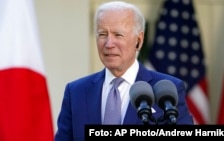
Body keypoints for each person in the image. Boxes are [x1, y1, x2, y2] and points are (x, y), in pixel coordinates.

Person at [54, 1, 194, 141]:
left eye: (118, 35)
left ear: (138, 40)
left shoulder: (168, 90)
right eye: (102, 34)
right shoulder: (76, 92)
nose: (109, 44)